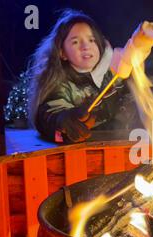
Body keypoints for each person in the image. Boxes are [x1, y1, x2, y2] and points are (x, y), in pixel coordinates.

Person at [28, 9, 140, 143]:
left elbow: (137, 93)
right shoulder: (61, 83)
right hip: (82, 150)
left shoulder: (116, 71)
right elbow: (49, 112)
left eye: (91, 40)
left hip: (123, 144)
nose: (86, 46)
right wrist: (63, 120)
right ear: (62, 53)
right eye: (75, 42)